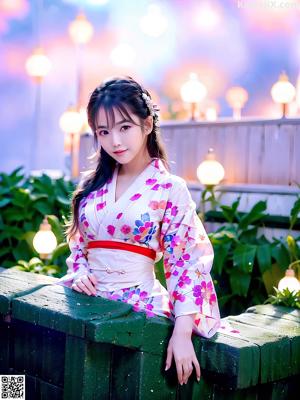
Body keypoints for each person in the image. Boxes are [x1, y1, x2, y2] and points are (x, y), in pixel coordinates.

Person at [57, 76, 221, 386]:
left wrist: (183, 332)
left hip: (138, 309)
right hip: (84, 305)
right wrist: (78, 273)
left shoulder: (170, 188)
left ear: (147, 124)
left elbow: (185, 262)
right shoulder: (92, 187)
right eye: (103, 132)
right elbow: (79, 247)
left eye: (124, 128)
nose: (115, 142)